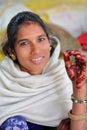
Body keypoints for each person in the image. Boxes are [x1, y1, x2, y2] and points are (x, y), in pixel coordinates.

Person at [0, 11, 87, 130]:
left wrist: (78, 88)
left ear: (49, 42)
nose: (36, 51)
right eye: (24, 43)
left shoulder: (63, 72)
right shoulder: (3, 81)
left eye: (40, 39)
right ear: (12, 51)